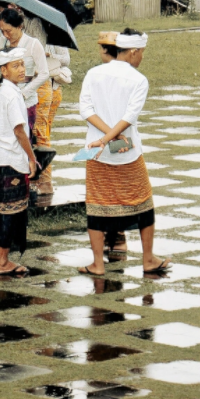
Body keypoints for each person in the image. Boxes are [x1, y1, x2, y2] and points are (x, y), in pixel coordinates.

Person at [78, 28, 170, 276]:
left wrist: (105, 137)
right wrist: (114, 136)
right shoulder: (138, 79)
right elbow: (130, 116)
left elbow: (85, 110)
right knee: (143, 204)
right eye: (141, 53)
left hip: (97, 152)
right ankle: (148, 259)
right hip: (128, 152)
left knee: (97, 205)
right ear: (134, 51)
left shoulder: (93, 73)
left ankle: (98, 263)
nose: (141, 58)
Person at [0, 48, 38, 276]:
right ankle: (2, 261)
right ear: (3, 70)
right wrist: (32, 157)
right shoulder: (10, 94)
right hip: (11, 159)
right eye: (15, 66)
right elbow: (19, 129)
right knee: (10, 211)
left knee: (0, 207)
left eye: (22, 64)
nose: (22, 70)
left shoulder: (5, 90)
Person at [0, 8, 48, 209]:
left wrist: (24, 92)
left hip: (25, 99)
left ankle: (21, 189)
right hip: (4, 97)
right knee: (0, 141)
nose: (5, 35)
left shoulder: (33, 44)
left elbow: (44, 74)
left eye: (9, 30)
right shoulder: (0, 42)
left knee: (21, 141)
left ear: (20, 27)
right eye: (2, 30)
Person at [96, 31, 126, 258]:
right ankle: (116, 236)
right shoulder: (130, 74)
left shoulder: (96, 75)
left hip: (103, 136)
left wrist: (109, 134)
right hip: (120, 136)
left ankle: (114, 235)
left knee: (107, 187)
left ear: (105, 51)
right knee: (117, 186)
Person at [34, 43, 71, 195]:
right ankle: (40, 178)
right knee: (42, 133)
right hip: (42, 87)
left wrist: (49, 56)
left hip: (52, 88)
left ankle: (44, 180)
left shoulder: (53, 39)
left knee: (42, 134)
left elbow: (66, 59)